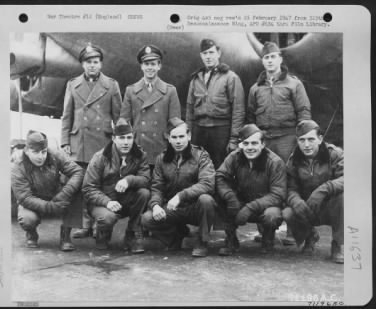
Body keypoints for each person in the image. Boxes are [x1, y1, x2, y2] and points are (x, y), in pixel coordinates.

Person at [247, 41, 311, 245]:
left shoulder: (294, 84)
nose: (270, 61)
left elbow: (304, 113)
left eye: (273, 56)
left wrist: (301, 139)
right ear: (262, 61)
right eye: (266, 57)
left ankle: (292, 231)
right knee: (262, 181)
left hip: (287, 138)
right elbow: (250, 116)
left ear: (280, 59)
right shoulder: (256, 88)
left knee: (290, 181)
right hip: (264, 139)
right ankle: (266, 230)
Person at [61, 43, 122, 238]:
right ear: (82, 65)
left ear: (101, 64)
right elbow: (67, 116)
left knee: (100, 184)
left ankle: (99, 224)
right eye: (88, 62)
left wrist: (120, 145)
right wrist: (65, 142)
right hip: (78, 142)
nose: (92, 65)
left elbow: (119, 117)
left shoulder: (111, 85)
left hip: (102, 143)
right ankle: (85, 225)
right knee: (79, 184)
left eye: (95, 62)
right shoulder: (72, 84)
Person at [141, 118, 216, 257]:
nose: (178, 141)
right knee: (147, 218)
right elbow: (157, 187)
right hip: (172, 208)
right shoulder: (162, 159)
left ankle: (202, 241)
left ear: (189, 136)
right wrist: (156, 205)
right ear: (168, 138)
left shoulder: (201, 156)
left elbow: (207, 183)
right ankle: (175, 236)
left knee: (207, 200)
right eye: (174, 137)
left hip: (194, 208)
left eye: (181, 136)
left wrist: (181, 196)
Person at [82, 118, 151, 253]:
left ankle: (132, 234)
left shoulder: (140, 155)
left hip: (124, 200)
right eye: (121, 138)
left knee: (144, 193)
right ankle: (103, 234)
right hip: (101, 203)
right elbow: (88, 188)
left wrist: (129, 180)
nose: (126, 142)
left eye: (129, 138)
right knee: (107, 218)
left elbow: (146, 179)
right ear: (114, 138)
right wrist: (107, 202)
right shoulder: (100, 157)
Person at [216, 124, 286, 255]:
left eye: (254, 143)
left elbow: (278, 195)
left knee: (272, 215)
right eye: (246, 143)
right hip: (240, 202)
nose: (250, 148)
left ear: (263, 144)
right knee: (219, 198)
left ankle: (268, 239)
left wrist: (250, 208)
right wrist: (231, 198)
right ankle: (231, 239)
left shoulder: (275, 162)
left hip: (266, 206)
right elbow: (220, 177)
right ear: (240, 144)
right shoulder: (234, 157)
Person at [282, 120, 344, 263]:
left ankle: (338, 245)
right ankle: (309, 236)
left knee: (343, 198)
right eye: (302, 140)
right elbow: (290, 188)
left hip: (330, 206)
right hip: (308, 206)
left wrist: (324, 189)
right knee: (287, 212)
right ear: (297, 141)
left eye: (311, 139)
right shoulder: (294, 160)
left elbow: (349, 178)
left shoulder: (334, 154)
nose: (307, 145)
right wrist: (296, 201)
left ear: (320, 139)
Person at [11, 130, 84, 251]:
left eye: (43, 152)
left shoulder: (55, 155)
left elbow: (77, 172)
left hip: (56, 196)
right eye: (35, 152)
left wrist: (64, 194)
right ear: (27, 151)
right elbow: (24, 197)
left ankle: (65, 235)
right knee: (27, 219)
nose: (41, 156)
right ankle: (31, 234)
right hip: (33, 201)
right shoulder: (18, 167)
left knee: (77, 190)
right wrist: (50, 206)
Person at [186, 38, 245, 169]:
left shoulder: (230, 77)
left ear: (218, 53)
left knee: (220, 169)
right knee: (197, 167)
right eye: (205, 53)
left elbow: (238, 110)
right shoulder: (196, 79)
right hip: (199, 131)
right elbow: (189, 110)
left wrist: (234, 139)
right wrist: (188, 136)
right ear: (201, 56)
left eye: (211, 53)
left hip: (221, 132)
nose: (208, 57)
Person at [121, 44, 181, 169]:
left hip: (161, 148)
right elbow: (124, 122)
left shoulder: (170, 91)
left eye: (153, 64)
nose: (150, 68)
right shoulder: (130, 91)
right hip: (138, 148)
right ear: (141, 66)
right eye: (146, 64)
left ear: (159, 66)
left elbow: (175, 124)